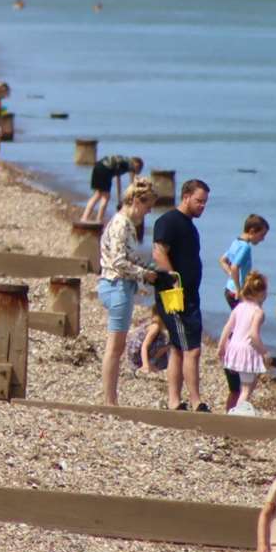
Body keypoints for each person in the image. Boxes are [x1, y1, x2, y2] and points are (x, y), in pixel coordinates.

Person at [97, 179, 164, 405]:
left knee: (117, 345)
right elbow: (118, 262)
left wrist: (148, 270)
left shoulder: (126, 224)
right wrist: (143, 274)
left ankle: (111, 398)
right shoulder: (121, 224)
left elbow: (129, 257)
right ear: (136, 201)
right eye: (148, 206)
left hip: (118, 285)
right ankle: (110, 400)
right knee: (114, 347)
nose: (149, 211)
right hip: (116, 286)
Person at [154, 178, 210, 411]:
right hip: (175, 295)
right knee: (192, 349)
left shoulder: (190, 225)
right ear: (185, 196)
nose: (202, 206)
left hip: (191, 294)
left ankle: (175, 400)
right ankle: (196, 401)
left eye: (205, 202)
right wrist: (173, 279)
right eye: (199, 201)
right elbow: (159, 252)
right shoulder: (168, 221)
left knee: (178, 347)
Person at [218, 270, 270, 415]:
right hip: (247, 350)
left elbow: (227, 328)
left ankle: (238, 410)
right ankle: (237, 414)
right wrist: (264, 352)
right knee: (246, 388)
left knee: (246, 384)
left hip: (233, 348)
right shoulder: (258, 312)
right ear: (260, 293)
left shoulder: (238, 308)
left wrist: (221, 346)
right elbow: (253, 335)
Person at [220, 214, 269, 308]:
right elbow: (235, 267)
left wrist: (230, 274)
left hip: (229, 289)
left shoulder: (236, 242)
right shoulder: (245, 247)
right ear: (252, 231)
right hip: (236, 292)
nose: (263, 239)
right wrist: (239, 289)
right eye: (262, 235)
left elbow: (222, 260)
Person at [82, 154, 145, 224]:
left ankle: (84, 218)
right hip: (105, 170)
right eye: (139, 168)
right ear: (136, 164)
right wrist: (120, 199)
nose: (137, 171)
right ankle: (98, 220)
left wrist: (120, 199)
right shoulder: (129, 165)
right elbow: (122, 182)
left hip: (97, 166)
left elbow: (127, 181)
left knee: (97, 195)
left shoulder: (125, 161)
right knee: (106, 197)